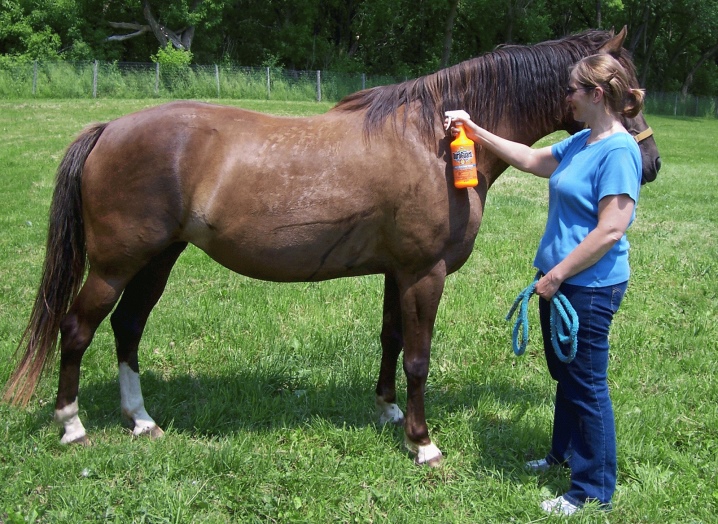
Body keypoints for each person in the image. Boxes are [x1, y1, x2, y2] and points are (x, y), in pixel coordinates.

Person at [447, 53, 645, 516]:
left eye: (573, 89)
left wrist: (557, 274)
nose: (567, 97)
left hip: (589, 286)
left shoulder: (619, 151)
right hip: (560, 282)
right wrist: (475, 131)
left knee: (587, 385)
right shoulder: (582, 141)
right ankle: (563, 455)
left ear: (597, 95)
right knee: (566, 376)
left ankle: (591, 489)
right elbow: (533, 158)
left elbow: (611, 229)